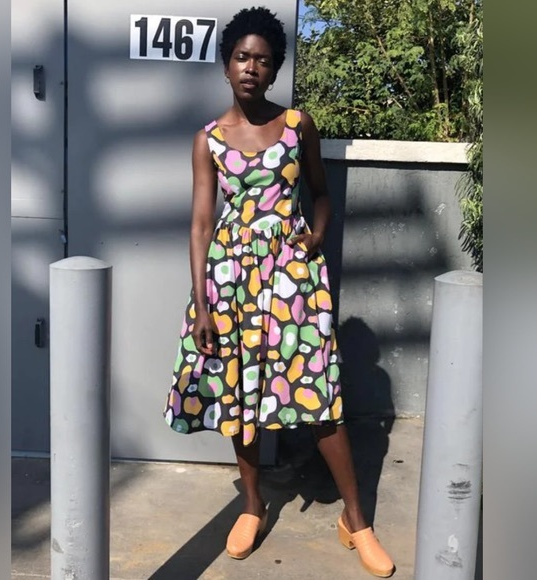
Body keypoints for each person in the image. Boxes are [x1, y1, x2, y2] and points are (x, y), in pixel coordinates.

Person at [164, 6, 394, 578]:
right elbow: (200, 224)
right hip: (229, 282)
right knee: (238, 393)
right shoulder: (208, 140)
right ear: (226, 66)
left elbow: (321, 193)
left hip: (293, 280)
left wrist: (315, 235)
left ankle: (357, 520)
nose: (251, 68)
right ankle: (252, 505)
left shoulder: (297, 125)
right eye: (241, 57)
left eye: (262, 60)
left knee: (318, 394)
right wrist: (202, 304)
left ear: (274, 70)